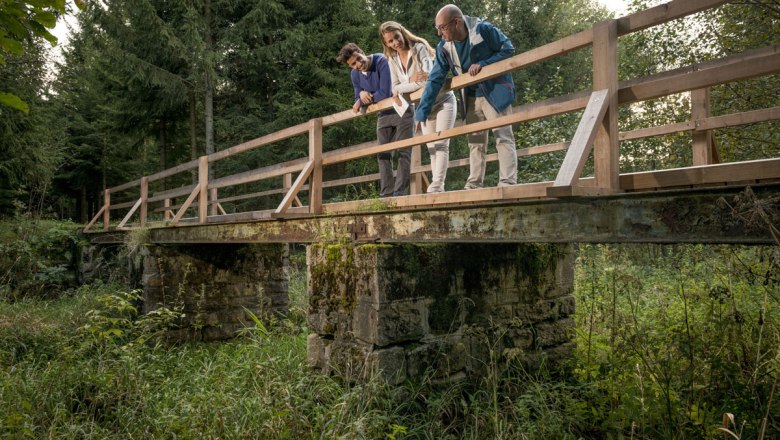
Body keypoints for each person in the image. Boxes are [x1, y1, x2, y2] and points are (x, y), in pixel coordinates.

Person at [414, 4, 518, 189]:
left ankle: (507, 182)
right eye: (437, 29)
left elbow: (508, 48)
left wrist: (483, 64)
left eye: (442, 28)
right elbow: (435, 80)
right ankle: (474, 184)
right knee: (475, 142)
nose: (439, 33)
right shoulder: (443, 48)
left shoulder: (483, 29)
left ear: (457, 22)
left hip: (495, 92)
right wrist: (421, 113)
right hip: (470, 97)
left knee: (502, 136)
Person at [379, 21, 457, 193]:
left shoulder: (419, 48)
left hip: (443, 101)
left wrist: (401, 87)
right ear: (386, 44)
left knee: (442, 143)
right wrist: (406, 84)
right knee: (431, 147)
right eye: (390, 41)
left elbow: (424, 82)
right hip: (424, 108)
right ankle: (437, 186)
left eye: (396, 37)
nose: (395, 43)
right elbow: (394, 86)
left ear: (402, 32)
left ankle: (437, 185)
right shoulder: (392, 58)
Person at [336, 42, 413, 198]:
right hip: (383, 114)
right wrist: (361, 96)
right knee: (382, 154)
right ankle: (387, 194)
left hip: (401, 109)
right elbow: (358, 100)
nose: (358, 64)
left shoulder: (381, 60)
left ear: (361, 51)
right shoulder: (355, 75)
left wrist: (364, 98)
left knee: (403, 152)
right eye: (353, 64)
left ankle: (400, 194)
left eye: (358, 58)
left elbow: (385, 92)